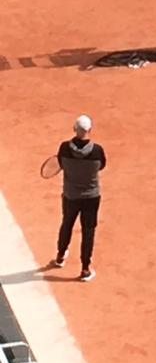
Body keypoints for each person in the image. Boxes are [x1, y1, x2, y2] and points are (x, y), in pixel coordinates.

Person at [51, 115, 106, 282]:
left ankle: (60, 256)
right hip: (91, 197)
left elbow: (60, 163)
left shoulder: (64, 149)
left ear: (74, 129)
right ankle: (85, 269)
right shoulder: (97, 151)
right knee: (88, 231)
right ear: (89, 131)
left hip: (71, 195)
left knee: (67, 223)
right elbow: (102, 165)